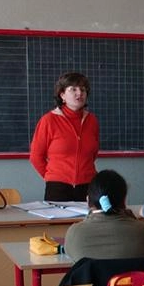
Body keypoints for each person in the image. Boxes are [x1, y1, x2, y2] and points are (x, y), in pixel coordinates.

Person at [29, 72, 100, 202]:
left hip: (88, 186)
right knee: (60, 223)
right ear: (62, 95)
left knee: (87, 222)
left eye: (83, 89)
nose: (79, 93)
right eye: (73, 89)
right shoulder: (48, 120)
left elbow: (93, 154)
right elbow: (36, 156)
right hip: (58, 187)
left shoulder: (92, 120)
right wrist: (53, 176)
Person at [63, 169, 144, 261]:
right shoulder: (143, 231)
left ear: (88, 201)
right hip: (128, 276)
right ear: (124, 200)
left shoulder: (75, 233)